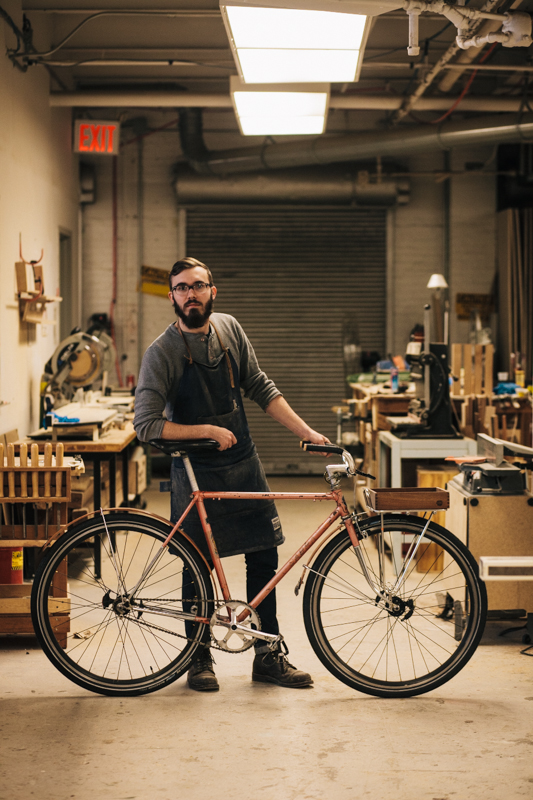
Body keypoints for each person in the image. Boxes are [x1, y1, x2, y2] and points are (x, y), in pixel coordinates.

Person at [133, 256, 330, 692]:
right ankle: (197, 656)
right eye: (182, 288)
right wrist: (203, 431)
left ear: (212, 291)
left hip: (242, 463)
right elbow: (146, 424)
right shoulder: (162, 352)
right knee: (197, 564)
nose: (191, 294)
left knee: (264, 553)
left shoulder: (229, 330)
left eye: (198, 286)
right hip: (195, 471)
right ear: (171, 297)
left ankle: (268, 654)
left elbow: (260, 385)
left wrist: (308, 433)